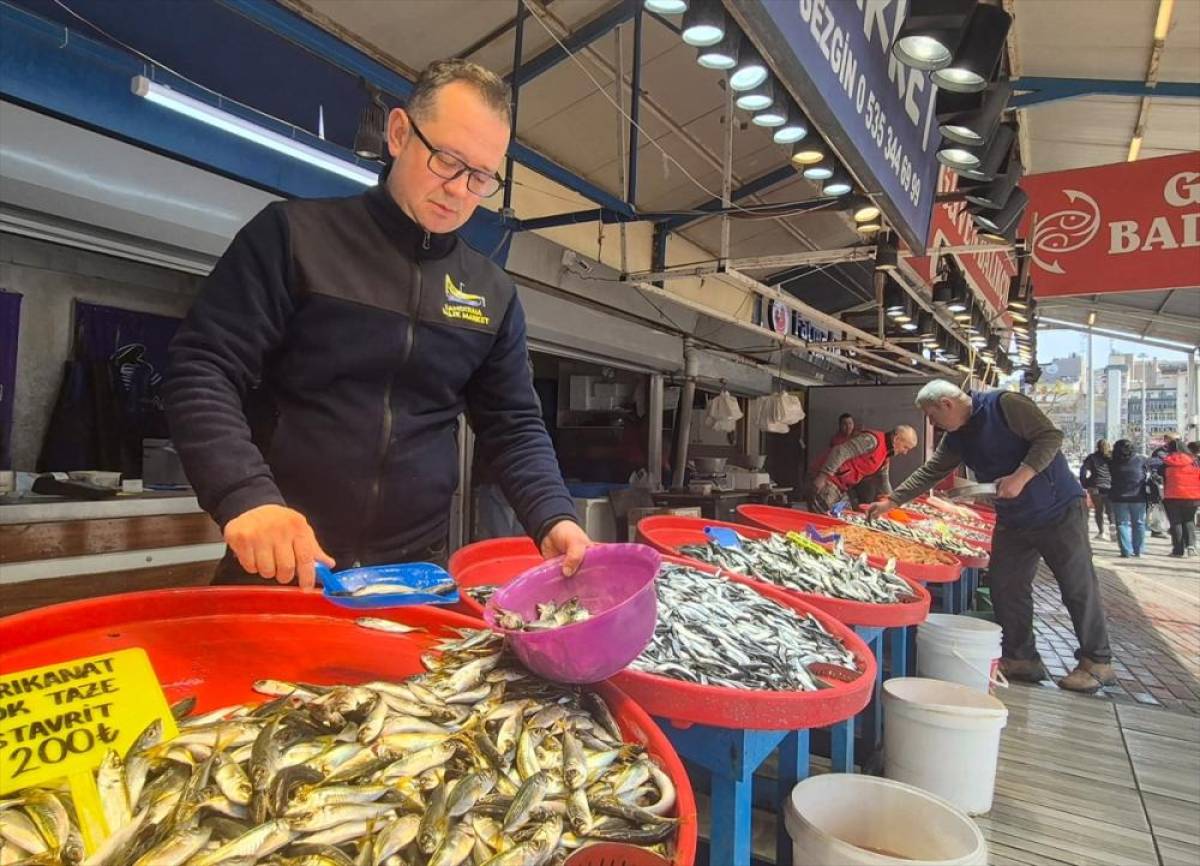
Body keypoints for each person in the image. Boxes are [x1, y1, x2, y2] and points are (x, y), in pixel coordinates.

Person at [165, 59, 589, 588]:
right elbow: (201, 370)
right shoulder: (293, 238)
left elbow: (514, 425)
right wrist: (245, 497)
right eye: (446, 161)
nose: (459, 190)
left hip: (412, 578)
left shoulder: (492, 292)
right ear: (397, 134)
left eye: (481, 177)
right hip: (285, 565)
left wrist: (556, 516)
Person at [867, 380, 1115, 694]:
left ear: (947, 404)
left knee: (1077, 584)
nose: (932, 423)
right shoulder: (957, 436)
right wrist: (891, 502)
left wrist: (1021, 476)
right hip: (1014, 517)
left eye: (932, 416)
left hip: (1058, 510)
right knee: (1005, 584)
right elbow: (931, 471)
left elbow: (1050, 436)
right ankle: (1021, 656)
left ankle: (1097, 661)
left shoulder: (1005, 405)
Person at [810, 424, 918, 512]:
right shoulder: (872, 441)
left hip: (842, 487)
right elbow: (840, 451)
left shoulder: (886, 456)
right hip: (828, 480)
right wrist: (822, 477)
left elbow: (883, 480)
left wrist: (891, 501)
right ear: (896, 439)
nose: (905, 452)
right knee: (818, 513)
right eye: (905, 447)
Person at [1156, 439, 1200, 557]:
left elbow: (1160, 475)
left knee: (1176, 522)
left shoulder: (1166, 463)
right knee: (1189, 520)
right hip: (1193, 496)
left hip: (1172, 496)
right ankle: (1191, 546)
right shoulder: (1195, 462)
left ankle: (1178, 550)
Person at [1108, 439, 1150, 558]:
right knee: (1139, 523)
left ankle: (1126, 551)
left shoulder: (1112, 462)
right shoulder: (1140, 460)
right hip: (1138, 496)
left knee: (1122, 524)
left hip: (1118, 496)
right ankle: (1139, 550)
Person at [1079, 438, 1114, 540]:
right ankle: (1113, 529)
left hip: (1095, 486)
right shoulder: (1112, 457)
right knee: (1110, 510)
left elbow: (1083, 470)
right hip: (1109, 486)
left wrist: (1084, 483)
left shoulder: (1092, 457)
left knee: (1098, 510)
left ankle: (1101, 532)